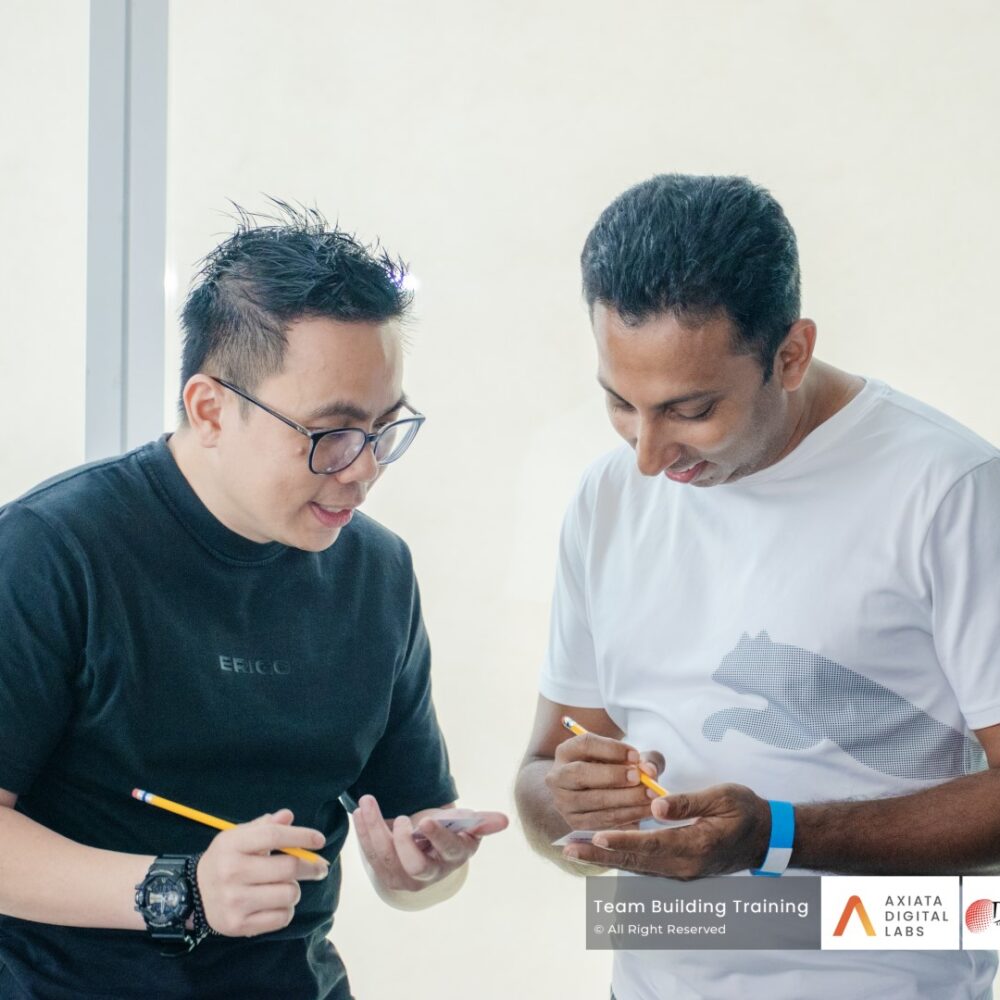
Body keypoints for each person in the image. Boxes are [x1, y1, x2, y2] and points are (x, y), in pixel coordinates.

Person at [0, 203, 506, 1000]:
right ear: (210, 410)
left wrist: (418, 865)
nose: (363, 469)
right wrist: (178, 890)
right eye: (332, 433)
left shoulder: (377, 572)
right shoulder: (53, 550)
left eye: (385, 428)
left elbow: (411, 839)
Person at [514, 174, 1000, 999]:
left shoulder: (950, 490)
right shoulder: (606, 497)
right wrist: (569, 800)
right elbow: (538, 778)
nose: (648, 456)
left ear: (791, 354)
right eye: (621, 403)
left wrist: (777, 836)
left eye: (691, 409)